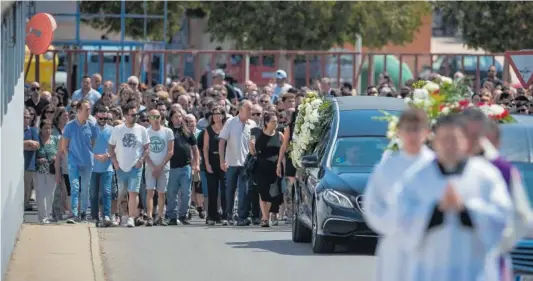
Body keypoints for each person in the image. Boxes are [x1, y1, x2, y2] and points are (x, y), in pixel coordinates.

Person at [392, 114, 512, 281]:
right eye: (443, 139)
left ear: (465, 142)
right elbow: (400, 221)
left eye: (454, 139)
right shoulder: (416, 177)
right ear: (434, 142)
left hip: (475, 269)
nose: (449, 145)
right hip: (430, 269)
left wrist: (466, 209)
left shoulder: (486, 175)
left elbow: (502, 218)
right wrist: (435, 210)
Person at [363, 108, 434, 281]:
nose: (412, 135)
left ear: (426, 132)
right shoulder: (387, 167)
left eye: (417, 129)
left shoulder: (435, 166)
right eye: (408, 129)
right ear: (399, 132)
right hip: (395, 244)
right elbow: (372, 205)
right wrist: (393, 223)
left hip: (429, 245)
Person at [461, 108, 533, 280]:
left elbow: (522, 218)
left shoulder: (502, 170)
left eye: (476, 135)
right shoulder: (442, 165)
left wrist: (497, 244)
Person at [109, 102, 150, 227]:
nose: (135, 117)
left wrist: (141, 160)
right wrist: (115, 162)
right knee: (121, 193)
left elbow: (147, 148)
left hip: (135, 167)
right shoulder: (117, 129)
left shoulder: (142, 130)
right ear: (126, 115)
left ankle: (131, 217)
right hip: (120, 167)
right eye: (132, 115)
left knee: (133, 192)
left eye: (136, 114)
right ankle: (121, 215)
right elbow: (111, 147)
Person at [219, 100, 257, 226]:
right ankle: (228, 214)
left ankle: (241, 217)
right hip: (231, 162)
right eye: (249, 109)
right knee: (230, 189)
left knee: (244, 191)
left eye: (251, 109)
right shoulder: (230, 122)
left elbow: (254, 144)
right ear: (240, 110)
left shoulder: (252, 124)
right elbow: (222, 141)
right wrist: (222, 160)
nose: (251, 112)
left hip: (245, 164)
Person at [62, 100, 99, 223]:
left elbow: (93, 143)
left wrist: (87, 154)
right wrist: (71, 158)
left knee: (85, 188)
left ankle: (83, 213)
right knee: (74, 187)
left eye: (89, 109)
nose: (89, 111)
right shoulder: (69, 126)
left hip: (87, 162)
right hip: (74, 163)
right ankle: (74, 214)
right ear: (78, 111)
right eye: (86, 109)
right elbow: (64, 146)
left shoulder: (92, 126)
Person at [166, 108, 200, 225]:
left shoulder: (187, 132)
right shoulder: (167, 131)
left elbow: (195, 149)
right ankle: (172, 216)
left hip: (186, 166)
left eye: (180, 117)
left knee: (187, 192)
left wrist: (197, 164)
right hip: (171, 167)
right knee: (172, 192)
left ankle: (183, 215)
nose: (178, 119)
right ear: (171, 118)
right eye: (176, 117)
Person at [250, 112, 283, 227]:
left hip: (275, 168)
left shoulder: (279, 135)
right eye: (273, 121)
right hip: (261, 167)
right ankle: (265, 218)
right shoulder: (258, 134)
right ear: (266, 123)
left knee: (272, 193)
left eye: (276, 121)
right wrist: (251, 145)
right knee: (262, 193)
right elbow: (253, 152)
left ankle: (268, 215)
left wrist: (280, 165)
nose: (276, 123)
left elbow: (283, 151)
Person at [145, 109, 174, 226]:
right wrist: (153, 166)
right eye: (152, 117)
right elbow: (144, 152)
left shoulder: (168, 131)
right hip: (149, 166)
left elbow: (170, 151)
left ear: (161, 118)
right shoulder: (146, 132)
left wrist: (160, 166)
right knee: (150, 192)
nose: (155, 120)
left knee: (162, 192)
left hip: (164, 166)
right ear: (149, 119)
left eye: (157, 117)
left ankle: (161, 216)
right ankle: (149, 217)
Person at [90, 105, 115, 227]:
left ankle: (106, 215)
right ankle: (94, 216)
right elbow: (86, 147)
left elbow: (115, 148)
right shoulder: (90, 129)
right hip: (93, 167)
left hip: (107, 167)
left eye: (105, 118)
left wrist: (108, 155)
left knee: (106, 192)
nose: (103, 121)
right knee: (93, 193)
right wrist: (95, 156)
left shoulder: (112, 130)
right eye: (101, 118)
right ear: (96, 116)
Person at [203, 106, 228, 225]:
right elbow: (205, 148)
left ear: (223, 115)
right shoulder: (208, 129)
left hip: (225, 163)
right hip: (212, 162)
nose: (216, 116)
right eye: (214, 114)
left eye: (219, 114)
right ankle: (211, 215)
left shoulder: (227, 128)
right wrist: (207, 163)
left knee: (225, 190)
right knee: (212, 190)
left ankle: (225, 215)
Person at [35, 120, 60, 224]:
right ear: (41, 129)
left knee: (50, 194)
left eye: (49, 128)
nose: (48, 130)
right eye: (45, 128)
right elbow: (32, 155)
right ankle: (42, 217)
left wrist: (56, 158)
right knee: (40, 193)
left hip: (52, 169)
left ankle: (47, 215)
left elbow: (60, 153)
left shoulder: (55, 139)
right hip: (39, 169)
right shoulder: (37, 139)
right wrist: (38, 160)